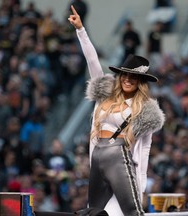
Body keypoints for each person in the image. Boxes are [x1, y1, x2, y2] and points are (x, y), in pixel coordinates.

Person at [68, 5, 165, 216]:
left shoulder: (145, 110)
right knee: (95, 212)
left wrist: (141, 183)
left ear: (140, 82)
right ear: (119, 76)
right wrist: (81, 31)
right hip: (99, 162)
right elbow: (92, 61)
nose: (128, 79)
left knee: (124, 213)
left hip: (123, 163)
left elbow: (145, 149)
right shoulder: (105, 94)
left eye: (133, 77)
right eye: (125, 75)